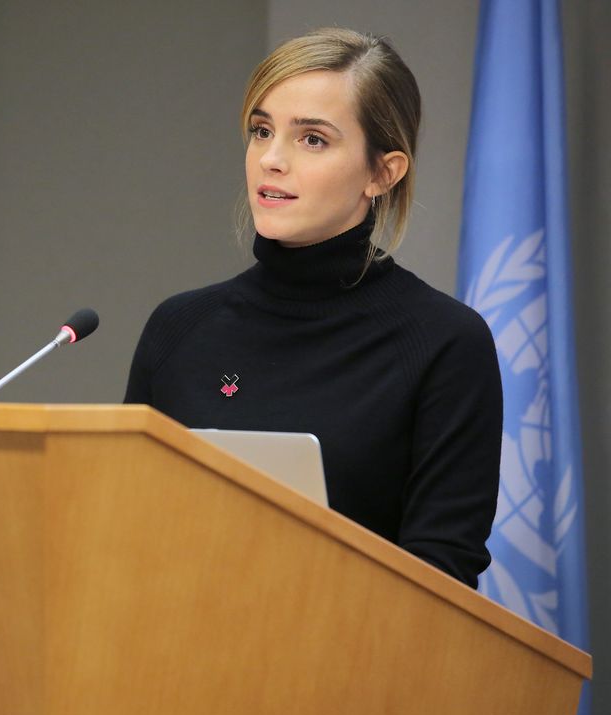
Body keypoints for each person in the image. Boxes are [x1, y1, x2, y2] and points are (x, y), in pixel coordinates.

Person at [124, 28, 502, 589]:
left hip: (355, 668)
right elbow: (124, 534)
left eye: (313, 140)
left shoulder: (445, 343)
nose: (271, 160)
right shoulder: (179, 329)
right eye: (261, 130)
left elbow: (441, 580)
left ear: (383, 172)